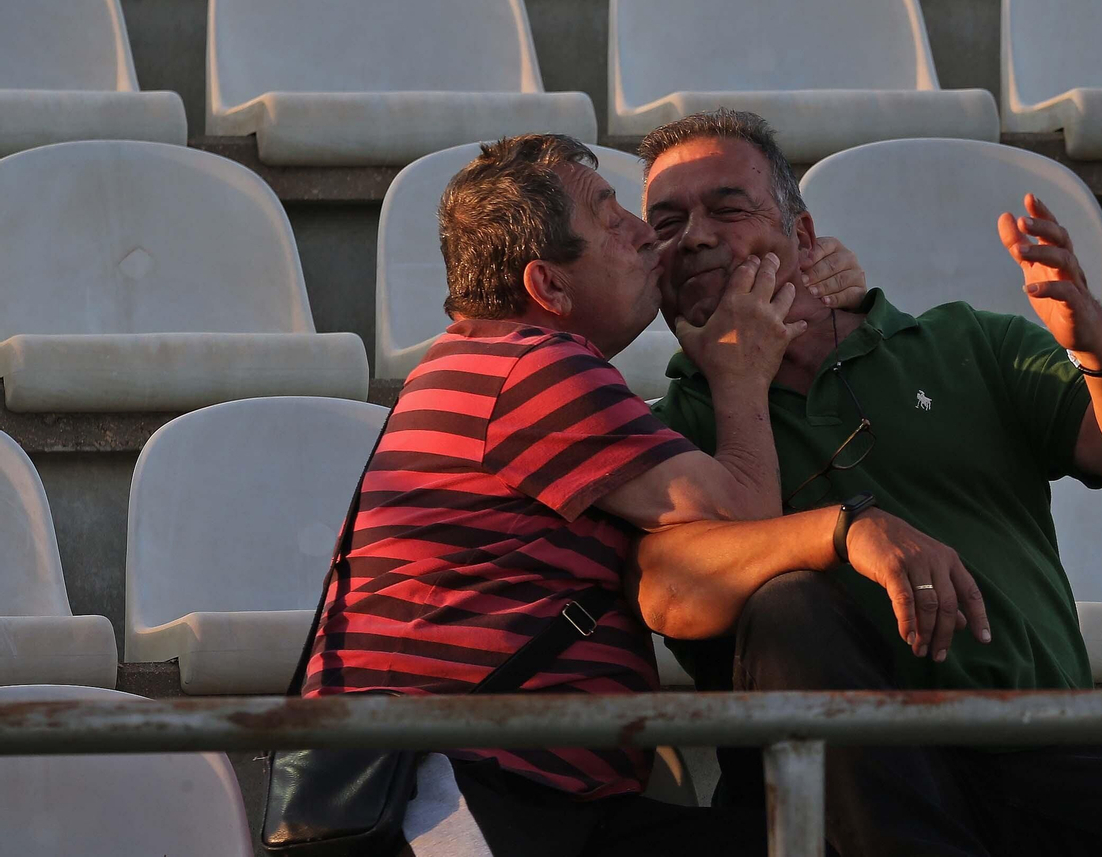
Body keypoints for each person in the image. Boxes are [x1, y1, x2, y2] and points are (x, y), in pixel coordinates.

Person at [635, 109, 1102, 856]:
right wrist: (843, 523)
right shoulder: (656, 427)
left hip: (1044, 752)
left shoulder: (964, 341)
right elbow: (668, 591)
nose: (695, 235)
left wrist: (1096, 333)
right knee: (785, 602)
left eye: (727, 208)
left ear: (802, 238)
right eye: (666, 224)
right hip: (841, 795)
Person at [299, 133, 953, 857]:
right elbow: (746, 524)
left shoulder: (483, 359)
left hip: (525, 796)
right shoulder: (535, 368)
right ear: (547, 286)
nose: (649, 238)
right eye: (612, 221)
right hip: (463, 799)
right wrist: (740, 376)